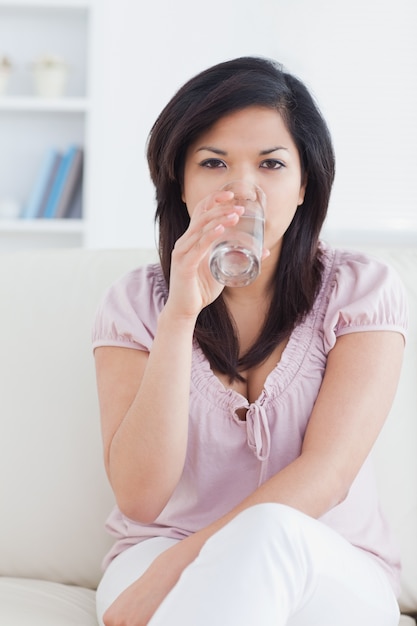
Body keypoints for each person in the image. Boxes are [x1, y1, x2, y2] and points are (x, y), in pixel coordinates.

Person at [92, 56, 408, 626]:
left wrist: (179, 569)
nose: (243, 188)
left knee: (270, 531)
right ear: (180, 184)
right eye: (213, 163)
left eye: (271, 164)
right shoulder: (134, 305)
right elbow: (140, 499)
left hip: (323, 558)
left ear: (304, 182)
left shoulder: (362, 290)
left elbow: (328, 475)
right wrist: (180, 315)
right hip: (159, 547)